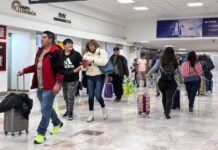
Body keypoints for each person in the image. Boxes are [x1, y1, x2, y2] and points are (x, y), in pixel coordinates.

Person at [18, 31, 64, 144]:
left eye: (44, 37)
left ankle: (41, 133)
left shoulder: (55, 52)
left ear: (50, 39)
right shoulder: (41, 51)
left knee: (45, 109)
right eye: (41, 37)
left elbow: (60, 69)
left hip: (50, 86)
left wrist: (58, 83)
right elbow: (35, 67)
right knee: (47, 107)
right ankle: (57, 123)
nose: (41, 39)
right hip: (40, 85)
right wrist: (24, 70)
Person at [147, 47, 183, 119]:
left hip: (162, 82)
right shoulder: (175, 61)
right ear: (173, 53)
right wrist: (181, 79)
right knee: (169, 97)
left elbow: (154, 69)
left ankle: (165, 110)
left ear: (164, 52)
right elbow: (179, 72)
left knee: (164, 96)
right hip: (173, 82)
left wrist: (148, 75)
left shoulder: (160, 60)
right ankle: (167, 112)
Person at [83, 39, 108, 122]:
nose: (91, 47)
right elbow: (83, 68)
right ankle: (91, 115)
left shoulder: (101, 52)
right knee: (90, 96)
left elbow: (104, 62)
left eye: (92, 45)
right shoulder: (86, 54)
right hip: (89, 76)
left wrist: (93, 60)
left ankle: (104, 109)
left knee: (98, 95)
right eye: (89, 46)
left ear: (95, 45)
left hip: (99, 76)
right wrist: (85, 65)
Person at [62, 38, 82, 120]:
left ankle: (70, 112)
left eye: (71, 44)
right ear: (64, 45)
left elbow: (82, 65)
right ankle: (67, 110)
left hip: (73, 79)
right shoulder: (61, 54)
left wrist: (75, 71)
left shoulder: (76, 54)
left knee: (70, 96)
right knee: (65, 96)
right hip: (64, 79)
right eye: (68, 44)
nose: (70, 45)